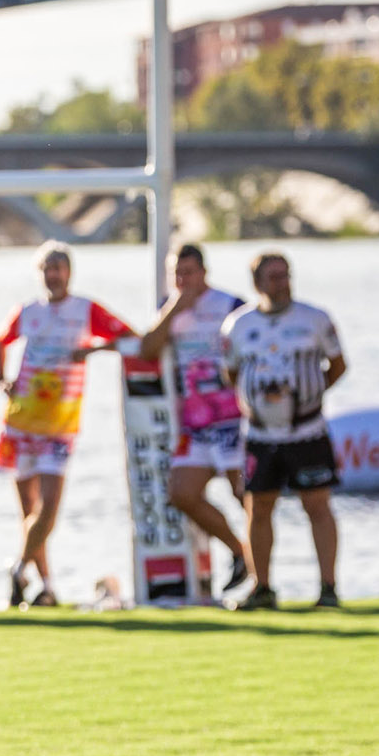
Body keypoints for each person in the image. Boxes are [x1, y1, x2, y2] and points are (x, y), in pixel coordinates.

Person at [0, 241, 133, 608]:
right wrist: (2, 378)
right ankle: (46, 586)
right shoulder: (28, 311)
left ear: (69, 272)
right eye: (46, 269)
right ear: (40, 274)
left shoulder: (85, 310)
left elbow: (129, 337)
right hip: (21, 421)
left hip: (60, 423)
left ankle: (20, 567)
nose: (53, 275)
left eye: (58, 268)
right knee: (29, 512)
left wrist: (93, 349)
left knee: (49, 509)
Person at [219, 251, 349, 610]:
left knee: (317, 504)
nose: (282, 283)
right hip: (260, 435)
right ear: (257, 283)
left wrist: (308, 395)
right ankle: (262, 588)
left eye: (286, 275)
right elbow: (230, 373)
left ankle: (328, 588)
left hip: (306, 431)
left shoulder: (314, 319)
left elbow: (338, 365)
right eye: (274, 277)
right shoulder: (238, 325)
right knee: (257, 507)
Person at [137, 243, 251, 595]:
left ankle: (262, 577)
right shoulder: (170, 308)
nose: (183, 280)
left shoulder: (230, 306)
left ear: (204, 271)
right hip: (194, 424)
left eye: (189, 273)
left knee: (244, 494)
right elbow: (147, 349)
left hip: (233, 419)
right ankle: (240, 551)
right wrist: (175, 308)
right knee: (182, 493)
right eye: (177, 274)